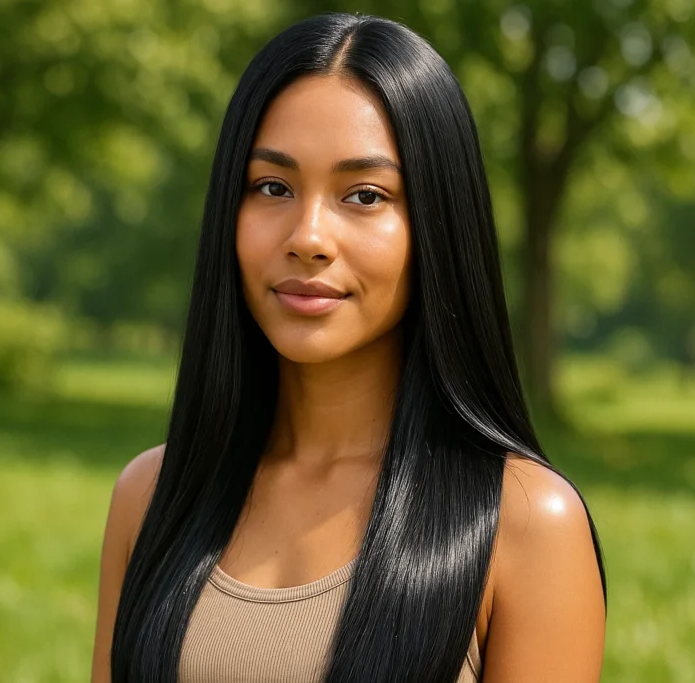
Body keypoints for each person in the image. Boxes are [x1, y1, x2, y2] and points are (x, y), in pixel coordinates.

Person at [91, 12, 606, 683]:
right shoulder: (153, 494)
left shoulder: (528, 523)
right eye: (272, 187)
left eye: (365, 195)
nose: (308, 236)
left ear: (437, 226)